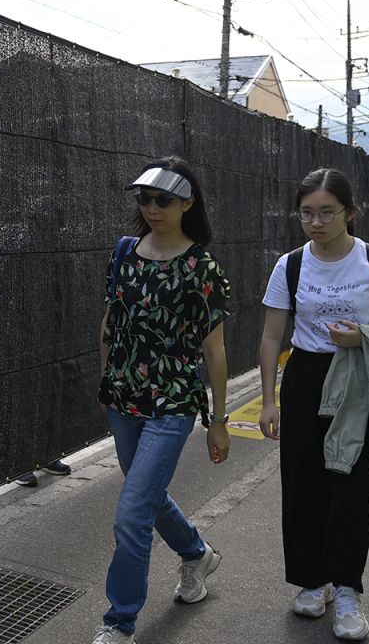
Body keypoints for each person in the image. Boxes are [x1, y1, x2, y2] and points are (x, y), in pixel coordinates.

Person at [257, 168, 369, 641]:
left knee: (353, 492)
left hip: (362, 381)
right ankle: (312, 581)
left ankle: (347, 590)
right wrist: (268, 400)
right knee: (303, 485)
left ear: (350, 212)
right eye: (307, 213)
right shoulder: (290, 265)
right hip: (305, 378)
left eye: (327, 212)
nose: (316, 223)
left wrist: (363, 336)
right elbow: (270, 335)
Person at [92, 156, 232, 644]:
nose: (152, 208)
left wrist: (218, 420)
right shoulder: (124, 252)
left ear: (187, 203)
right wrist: (104, 383)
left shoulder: (202, 265)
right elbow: (111, 322)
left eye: (163, 200)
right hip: (123, 397)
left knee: (131, 514)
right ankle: (196, 554)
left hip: (172, 403)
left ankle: (119, 622)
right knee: (145, 496)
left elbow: (214, 350)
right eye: (145, 198)